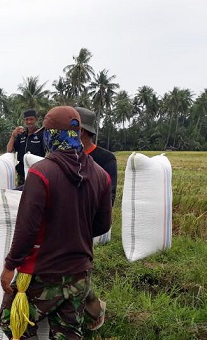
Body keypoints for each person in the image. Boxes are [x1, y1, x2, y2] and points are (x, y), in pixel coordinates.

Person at [0, 106, 112, 339]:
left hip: (45, 272)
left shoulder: (41, 173)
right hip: (80, 272)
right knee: (68, 332)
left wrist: (10, 265)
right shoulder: (101, 174)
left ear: (51, 135)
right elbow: (102, 226)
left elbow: (27, 229)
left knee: (12, 320)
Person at [75, 106, 118, 331]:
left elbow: (109, 198)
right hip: (63, 225)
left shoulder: (104, 159)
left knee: (79, 271)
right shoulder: (63, 155)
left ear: (80, 131)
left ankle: (92, 311)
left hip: (85, 227)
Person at [6, 109, 46, 187]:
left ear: (36, 120)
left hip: (37, 173)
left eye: (31, 119)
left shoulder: (41, 134)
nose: (29, 122)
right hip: (22, 175)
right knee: (20, 196)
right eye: (27, 119)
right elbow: (9, 150)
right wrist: (13, 136)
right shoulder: (21, 135)